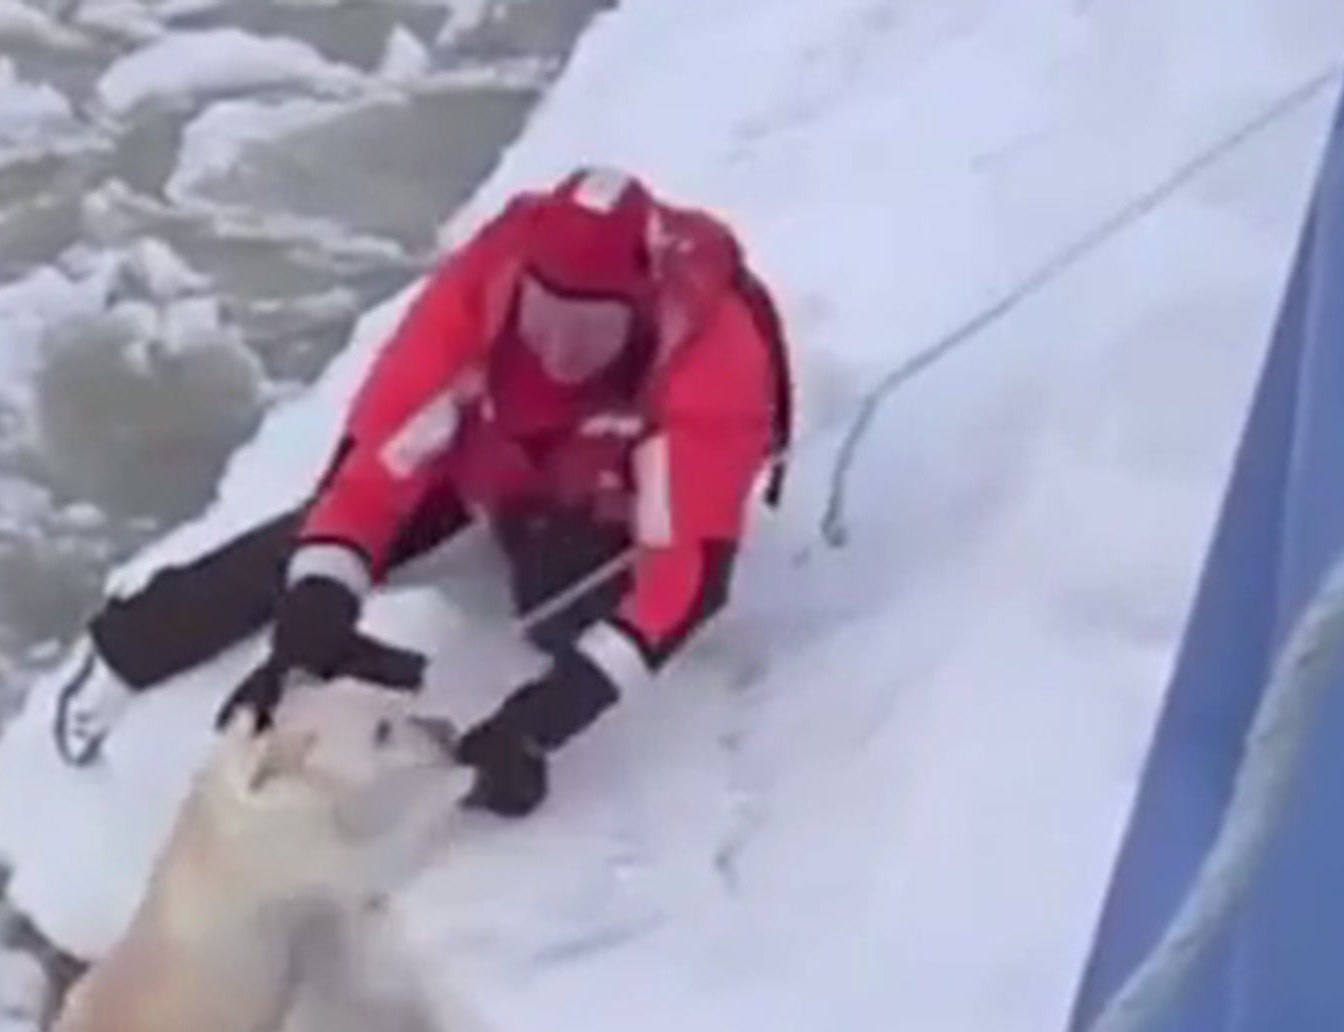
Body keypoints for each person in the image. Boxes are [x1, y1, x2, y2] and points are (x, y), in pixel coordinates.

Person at [52, 164, 795, 817]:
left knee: (559, 620)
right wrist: (306, 639)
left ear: (637, 310)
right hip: (488, 454)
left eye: (593, 327)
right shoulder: (479, 291)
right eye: (549, 317)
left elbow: (682, 583)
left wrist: (538, 722)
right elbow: (369, 480)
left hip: (607, 491)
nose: (563, 348)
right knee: (320, 536)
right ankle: (129, 645)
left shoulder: (708, 356)